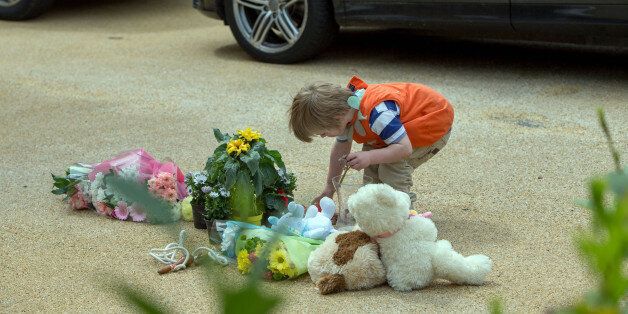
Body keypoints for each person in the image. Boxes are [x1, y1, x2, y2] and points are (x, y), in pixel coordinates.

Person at [288, 75, 454, 210]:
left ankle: (402, 213)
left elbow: (404, 149)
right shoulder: (346, 111)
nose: (324, 137)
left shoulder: (378, 114)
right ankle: (374, 211)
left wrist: (369, 156)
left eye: (323, 133)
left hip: (431, 122)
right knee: (372, 171)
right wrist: (329, 188)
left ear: (336, 117)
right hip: (398, 129)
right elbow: (340, 150)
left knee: (392, 167)